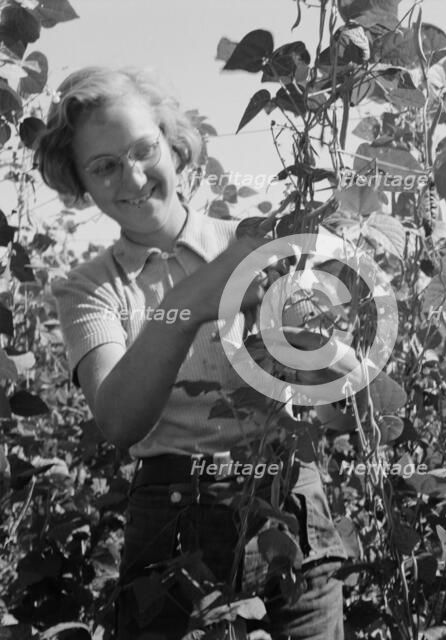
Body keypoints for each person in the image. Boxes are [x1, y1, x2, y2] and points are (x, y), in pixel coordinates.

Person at [37, 66, 347, 639]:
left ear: (172, 144)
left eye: (143, 149)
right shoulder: (88, 288)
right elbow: (121, 421)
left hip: (289, 506)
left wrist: (307, 336)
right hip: (173, 520)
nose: (132, 176)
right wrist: (186, 305)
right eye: (103, 167)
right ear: (81, 184)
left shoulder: (254, 243)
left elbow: (336, 384)